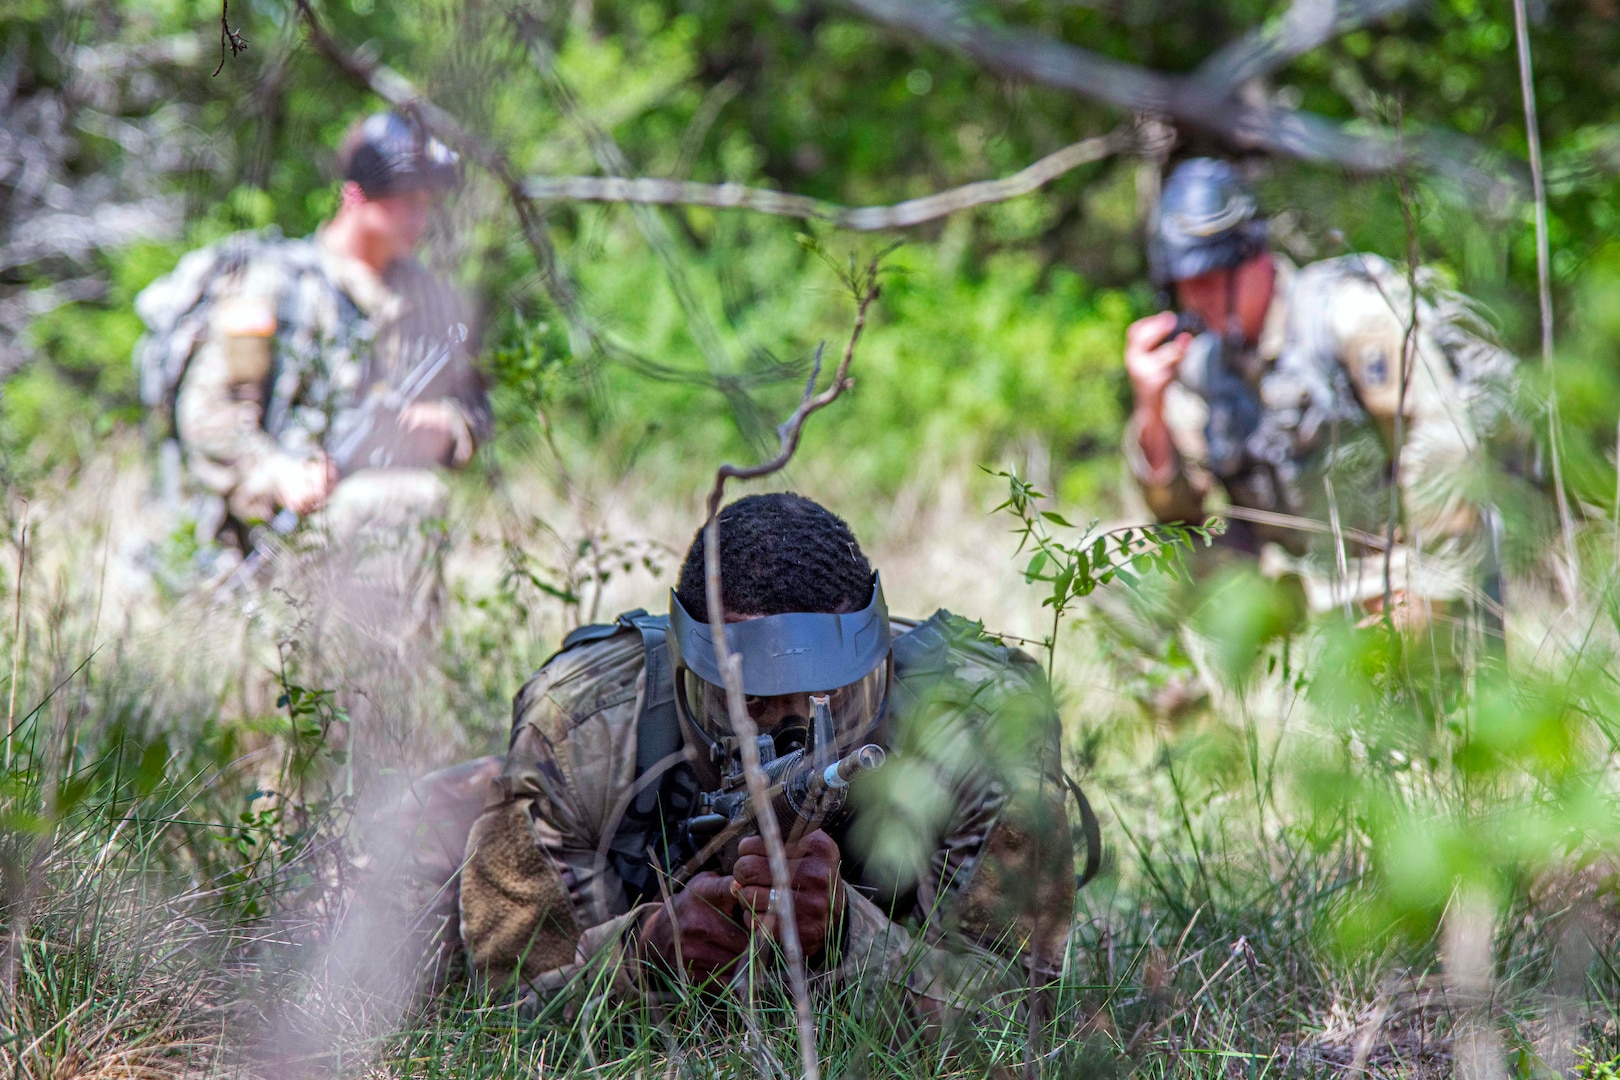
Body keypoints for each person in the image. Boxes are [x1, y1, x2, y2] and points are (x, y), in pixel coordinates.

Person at [420, 493, 1079, 1019]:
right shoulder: (586, 718)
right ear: (688, 673)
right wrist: (644, 953)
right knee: (426, 839)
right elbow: (503, 993)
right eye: (752, 705)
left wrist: (850, 936)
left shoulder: (981, 721)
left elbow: (1020, 1016)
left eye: (831, 700)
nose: (799, 738)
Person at [134, 110, 492, 620]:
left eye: (426, 203)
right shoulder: (278, 285)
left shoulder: (429, 301)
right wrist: (280, 475)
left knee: (411, 498)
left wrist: (447, 428)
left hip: (385, 551)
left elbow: (475, 408)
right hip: (268, 543)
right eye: (405, 200)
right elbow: (210, 415)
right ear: (356, 196)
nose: (421, 218)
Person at [1121, 158, 1513, 622]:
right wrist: (1150, 404)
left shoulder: (1347, 317)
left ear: (1255, 257)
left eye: (1208, 280)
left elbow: (1442, 452)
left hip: (1391, 574)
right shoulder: (1203, 367)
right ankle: (1183, 693)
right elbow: (1178, 515)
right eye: (1184, 286)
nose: (1196, 300)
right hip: (1290, 582)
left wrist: (1431, 596)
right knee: (1120, 574)